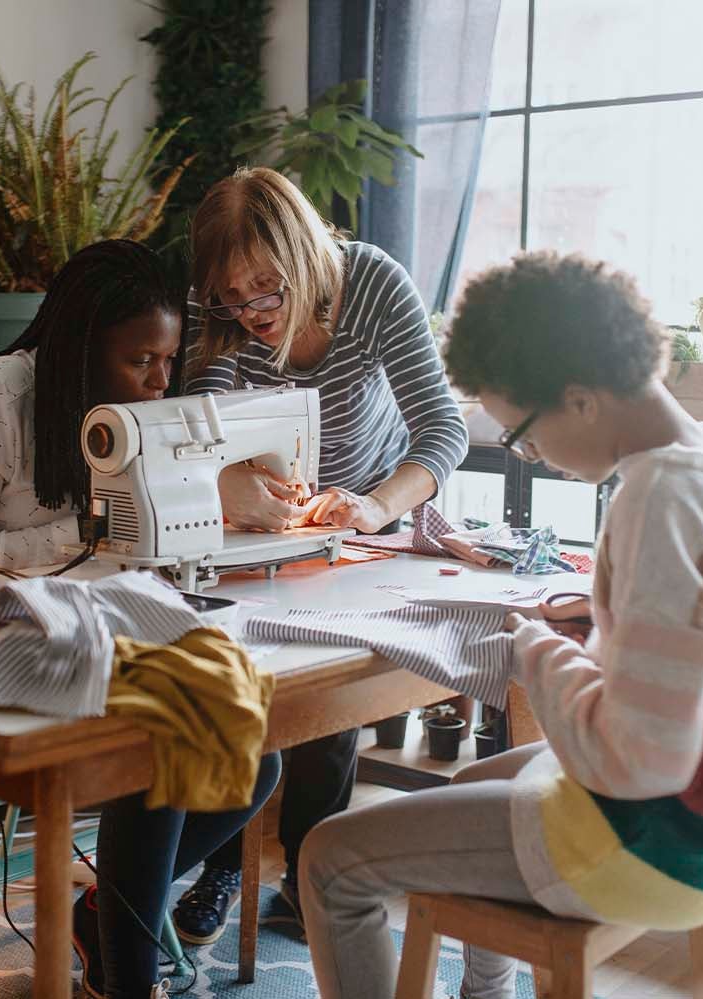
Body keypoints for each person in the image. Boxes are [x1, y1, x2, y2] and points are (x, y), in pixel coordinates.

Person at [297, 251, 703, 999]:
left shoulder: (651, 504)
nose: (534, 458)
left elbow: (636, 763)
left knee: (329, 857)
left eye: (521, 435)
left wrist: (539, 650)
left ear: (579, 399)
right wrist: (639, 632)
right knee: (476, 783)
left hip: (647, 843)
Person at [0, 239, 281, 999]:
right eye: (141, 361)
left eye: (167, 361)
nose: (158, 383)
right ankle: (126, 974)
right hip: (15, 636)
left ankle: (104, 910)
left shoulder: (137, 411)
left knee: (259, 753)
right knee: (167, 742)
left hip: (115, 624)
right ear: (83, 348)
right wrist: (88, 530)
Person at [172, 166, 469, 944]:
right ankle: (224, 862)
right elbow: (199, 427)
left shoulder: (372, 283)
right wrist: (231, 476)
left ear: (306, 253)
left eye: (267, 291)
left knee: (326, 685)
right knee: (226, 663)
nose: (253, 312)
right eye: (233, 298)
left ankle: (308, 876)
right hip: (266, 520)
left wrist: (374, 506)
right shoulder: (224, 313)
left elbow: (443, 427)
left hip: (369, 509)